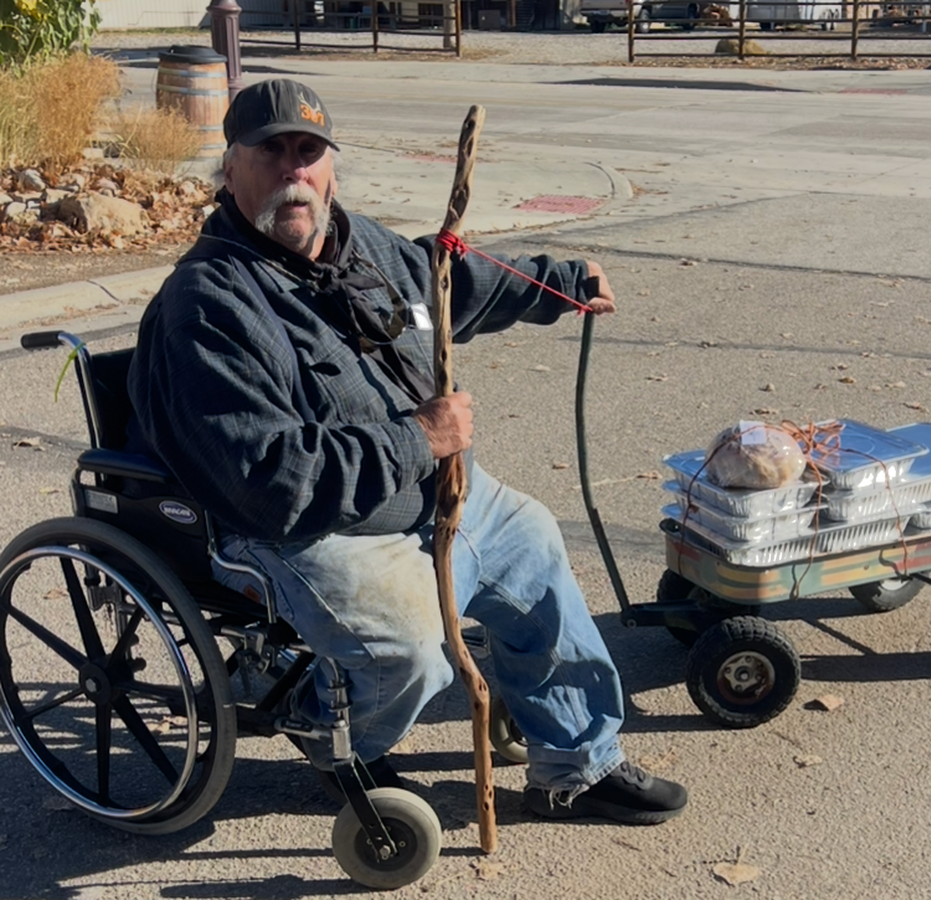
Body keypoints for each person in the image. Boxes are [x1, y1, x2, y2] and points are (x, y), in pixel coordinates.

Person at [124, 78, 686, 826]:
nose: (293, 171)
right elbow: (270, 481)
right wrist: (418, 439)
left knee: (534, 546)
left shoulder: (361, 245)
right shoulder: (207, 306)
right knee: (413, 650)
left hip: (442, 495)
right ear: (229, 169)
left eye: (309, 151)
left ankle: (577, 767)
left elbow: (443, 284)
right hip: (313, 532)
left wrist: (556, 285)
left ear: (331, 166)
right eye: (270, 152)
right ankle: (326, 727)